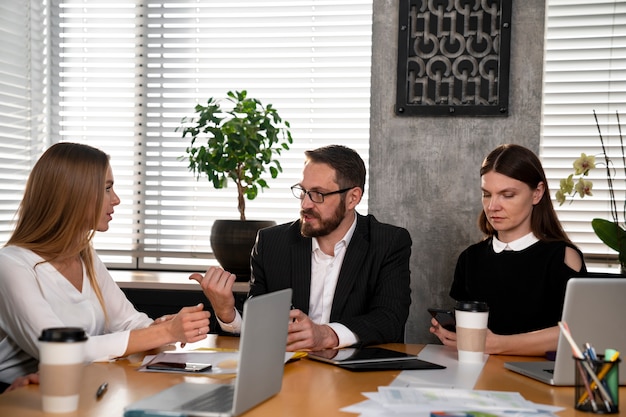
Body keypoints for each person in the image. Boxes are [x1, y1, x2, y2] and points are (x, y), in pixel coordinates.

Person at [0, 143, 211, 393]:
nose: (117, 199)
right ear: (72, 194)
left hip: (79, 385)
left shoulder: (84, 255)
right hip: (20, 394)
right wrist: (163, 333)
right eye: (107, 188)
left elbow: (128, 322)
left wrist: (165, 327)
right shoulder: (11, 265)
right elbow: (61, 350)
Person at [191, 144, 412, 352]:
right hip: (292, 374)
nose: (305, 204)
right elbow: (260, 325)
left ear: (352, 198)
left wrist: (326, 335)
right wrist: (227, 313)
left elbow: (389, 320)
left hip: (359, 377)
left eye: (318, 194)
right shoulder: (271, 243)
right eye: (303, 191)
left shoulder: (388, 242)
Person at [430, 144, 587, 356]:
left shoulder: (562, 257)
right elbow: (475, 334)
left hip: (539, 379)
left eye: (507, 195)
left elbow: (579, 333)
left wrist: (497, 344)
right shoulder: (470, 259)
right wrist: (456, 335)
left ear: (537, 193)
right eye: (487, 194)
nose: (493, 206)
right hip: (476, 376)